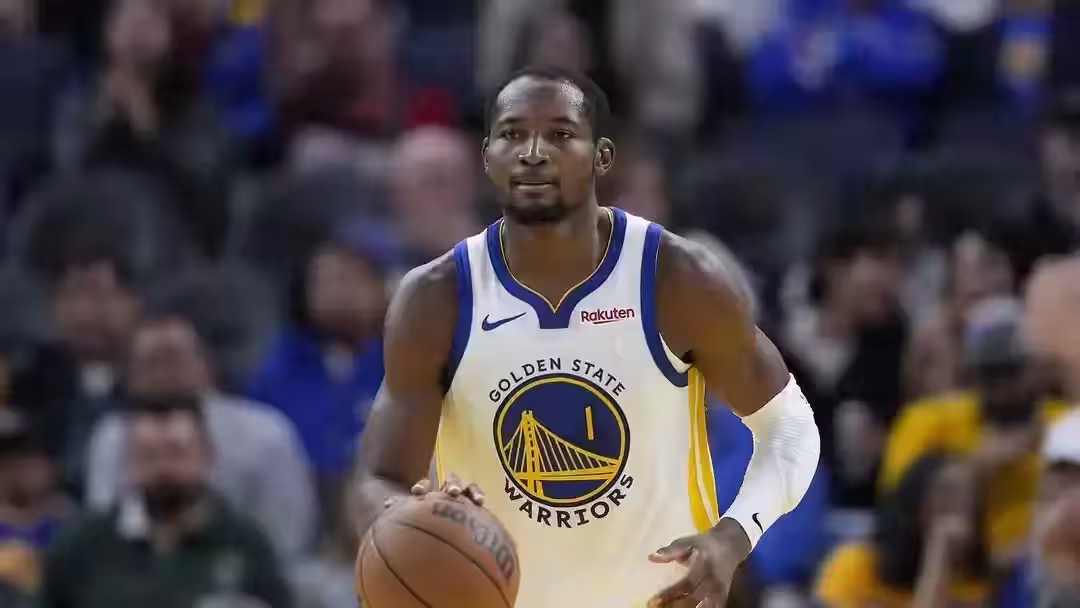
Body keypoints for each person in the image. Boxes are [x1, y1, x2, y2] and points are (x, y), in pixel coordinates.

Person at [353, 65, 821, 607]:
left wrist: (733, 536)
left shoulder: (676, 278)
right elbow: (377, 479)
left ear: (602, 157)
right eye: (512, 134)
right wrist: (415, 520)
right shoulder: (436, 298)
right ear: (487, 157)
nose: (533, 153)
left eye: (560, 134)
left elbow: (791, 430)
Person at [39, 396, 293, 608]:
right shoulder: (83, 546)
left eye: (176, 453)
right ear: (127, 463)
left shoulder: (245, 541)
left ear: (208, 456)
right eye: (148, 455)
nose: (163, 469)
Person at [815, 452, 991, 608]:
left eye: (970, 494)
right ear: (914, 501)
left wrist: (940, 552)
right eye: (948, 491)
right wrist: (938, 545)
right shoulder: (855, 564)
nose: (962, 505)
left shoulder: (971, 583)